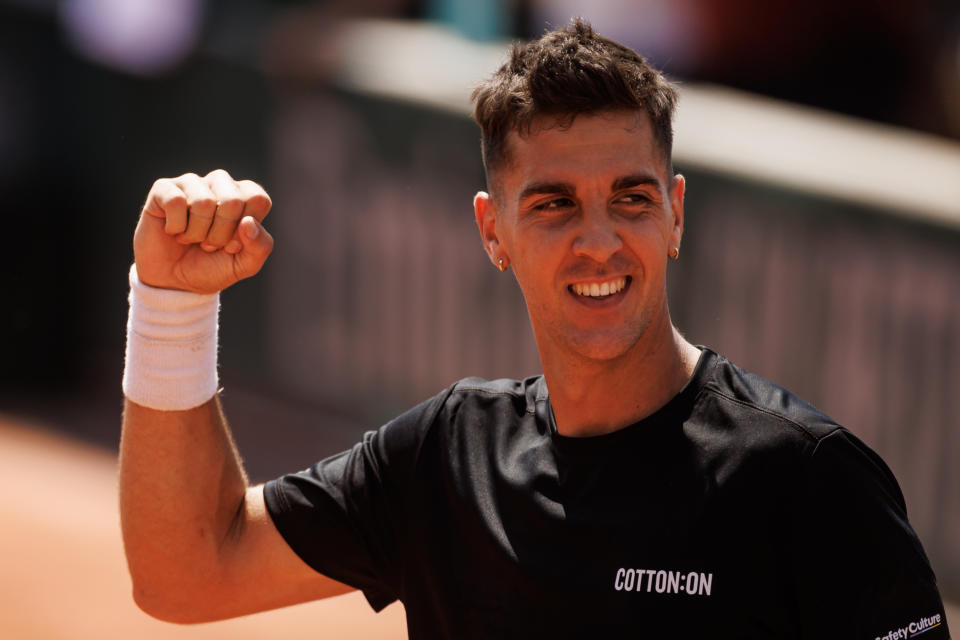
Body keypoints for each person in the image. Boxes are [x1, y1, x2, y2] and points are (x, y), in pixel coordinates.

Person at [119, 19, 951, 639]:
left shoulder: (807, 481)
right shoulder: (448, 456)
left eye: (631, 196)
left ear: (675, 213)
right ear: (493, 232)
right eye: (553, 204)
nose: (599, 240)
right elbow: (188, 572)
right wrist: (170, 305)